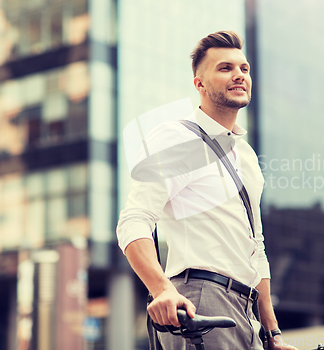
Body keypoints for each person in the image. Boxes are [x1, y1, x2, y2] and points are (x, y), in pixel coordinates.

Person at [117, 31, 296, 350]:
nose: (239, 75)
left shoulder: (246, 156)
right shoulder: (176, 137)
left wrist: (272, 333)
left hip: (246, 310)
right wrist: (162, 290)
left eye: (244, 68)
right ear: (200, 84)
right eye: (225, 68)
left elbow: (257, 247)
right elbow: (134, 220)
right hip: (200, 298)